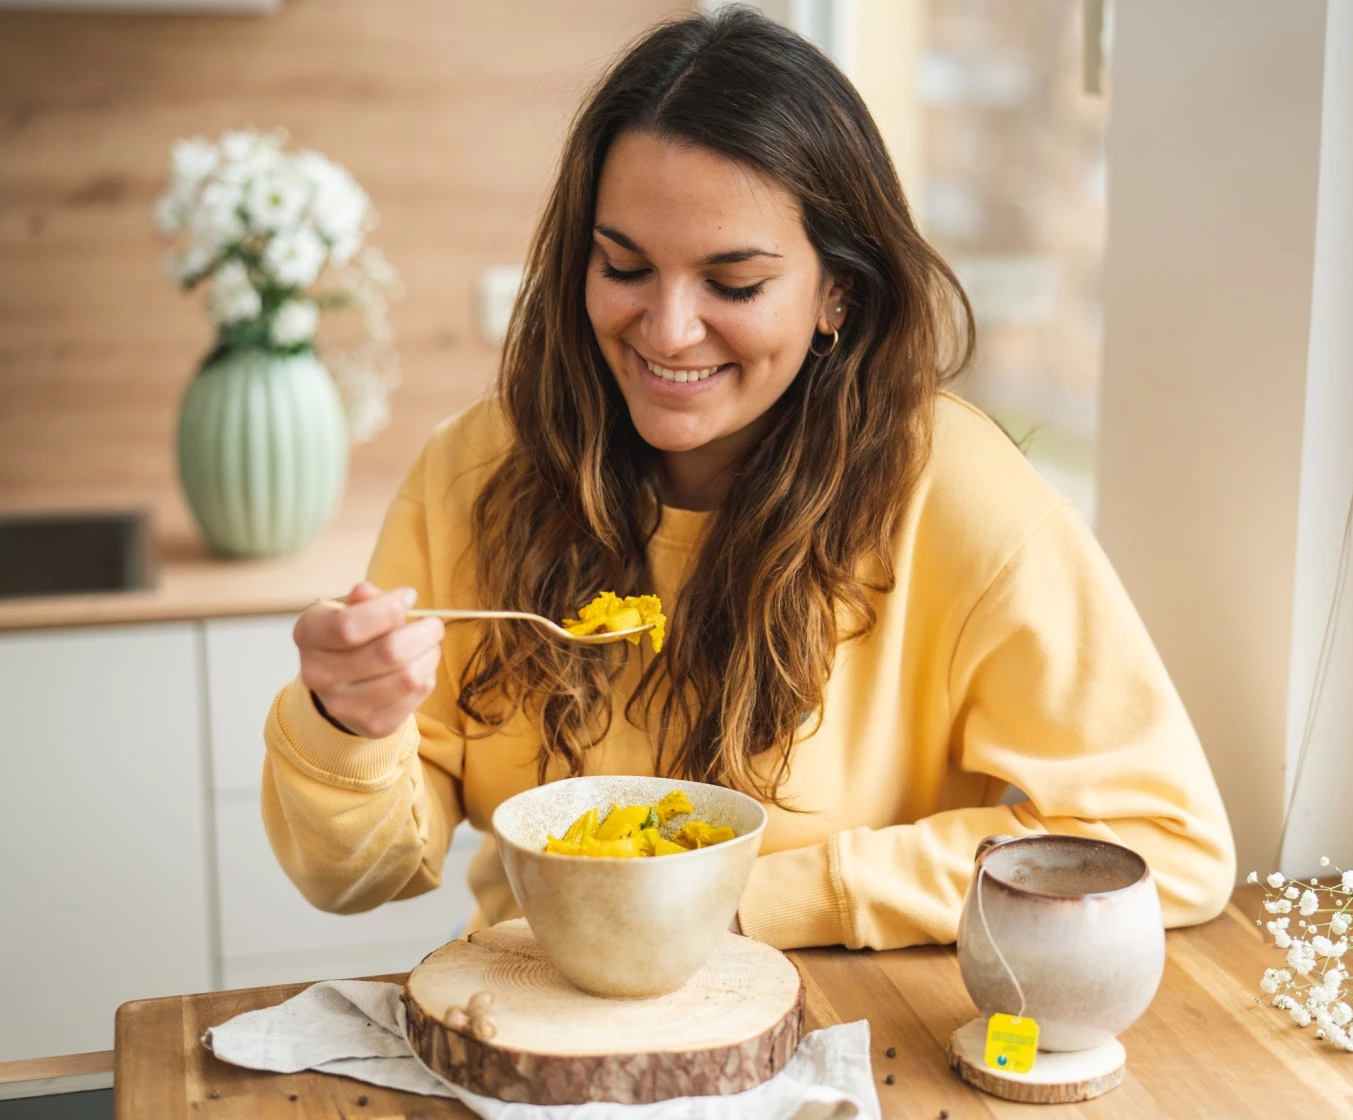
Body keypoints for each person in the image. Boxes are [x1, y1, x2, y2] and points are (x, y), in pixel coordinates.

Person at [265, 6, 1234, 952]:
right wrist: (347, 720)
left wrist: (756, 897)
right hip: (534, 1037)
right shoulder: (476, 472)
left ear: (838, 293)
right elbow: (358, 876)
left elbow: (1167, 844)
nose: (669, 328)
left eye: (733, 284)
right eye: (624, 266)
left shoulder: (958, 497)